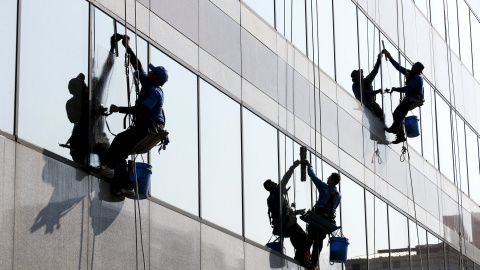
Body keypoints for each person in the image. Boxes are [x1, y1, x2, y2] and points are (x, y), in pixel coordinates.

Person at [102, 34, 168, 196]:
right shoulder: (149, 83)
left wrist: (119, 109)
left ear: (156, 77)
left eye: (152, 72)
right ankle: (118, 178)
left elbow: (142, 111)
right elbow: (138, 66)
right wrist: (127, 46)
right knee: (120, 148)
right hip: (145, 126)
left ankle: (123, 182)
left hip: (149, 127)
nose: (149, 72)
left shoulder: (155, 91)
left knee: (120, 142)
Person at [264, 160, 314, 269]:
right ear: (271, 187)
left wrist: (297, 212)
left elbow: (281, 212)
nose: (274, 182)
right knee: (306, 239)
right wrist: (293, 167)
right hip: (288, 223)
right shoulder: (277, 191)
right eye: (272, 182)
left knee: (298, 243)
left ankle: (299, 260)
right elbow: (285, 178)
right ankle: (304, 259)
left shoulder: (271, 198)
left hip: (283, 225)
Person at [304, 160, 341, 269]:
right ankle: (314, 264)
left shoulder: (324, 187)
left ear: (332, 180)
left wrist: (308, 164)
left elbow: (312, 175)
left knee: (310, 236)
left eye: (329, 177)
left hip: (318, 217)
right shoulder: (339, 195)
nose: (327, 178)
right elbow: (335, 207)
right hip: (327, 222)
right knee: (318, 242)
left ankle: (306, 256)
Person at [383, 50, 424, 144]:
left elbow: (409, 88)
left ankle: (396, 127)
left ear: (418, 69)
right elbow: (399, 68)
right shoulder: (411, 74)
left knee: (403, 107)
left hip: (415, 98)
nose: (412, 66)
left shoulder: (417, 77)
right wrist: (390, 58)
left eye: (414, 66)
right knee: (396, 113)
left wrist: (396, 89)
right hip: (410, 98)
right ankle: (400, 135)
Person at [351, 52, 385, 122]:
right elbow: (363, 94)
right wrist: (376, 91)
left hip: (373, 104)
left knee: (382, 117)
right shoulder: (355, 85)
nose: (362, 74)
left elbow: (375, 71)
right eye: (359, 73)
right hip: (366, 105)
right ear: (356, 76)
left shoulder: (366, 81)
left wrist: (378, 60)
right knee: (372, 119)